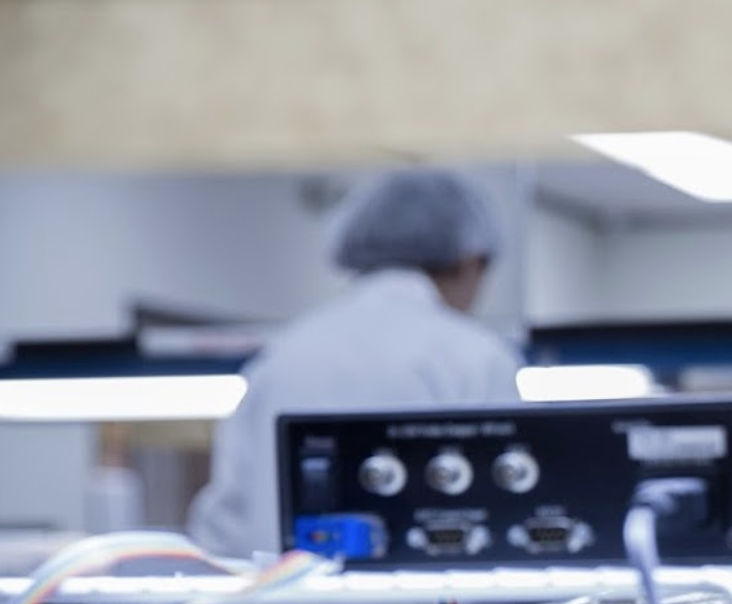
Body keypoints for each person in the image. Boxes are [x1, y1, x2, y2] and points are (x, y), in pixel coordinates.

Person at [187, 167, 524, 558]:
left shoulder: (283, 355)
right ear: (469, 260)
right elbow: (506, 518)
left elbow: (225, 525)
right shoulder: (476, 356)